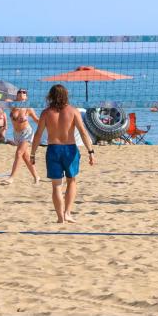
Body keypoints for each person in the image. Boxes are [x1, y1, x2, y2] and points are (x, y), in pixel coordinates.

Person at [30, 84, 95, 223]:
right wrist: (91, 151)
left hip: (53, 149)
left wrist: (32, 153)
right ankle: (67, 213)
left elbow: (37, 135)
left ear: (51, 96)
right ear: (66, 95)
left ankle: (60, 218)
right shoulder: (73, 111)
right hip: (70, 149)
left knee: (56, 186)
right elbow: (83, 132)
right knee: (72, 181)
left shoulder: (46, 113)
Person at [5, 89, 40, 184]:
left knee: (19, 153)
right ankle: (36, 177)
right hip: (16, 134)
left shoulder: (28, 108)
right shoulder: (12, 105)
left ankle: (11, 177)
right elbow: (5, 100)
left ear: (26, 97)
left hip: (26, 133)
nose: (21, 93)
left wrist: (47, 124)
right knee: (26, 157)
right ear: (16, 95)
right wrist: (15, 100)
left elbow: (36, 120)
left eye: (24, 92)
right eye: (19, 92)